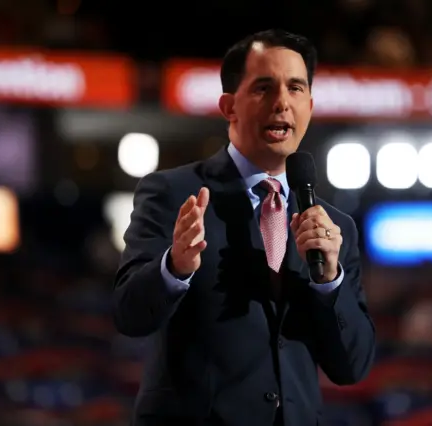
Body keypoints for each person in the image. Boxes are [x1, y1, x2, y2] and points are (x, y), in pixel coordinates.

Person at [113, 29, 376, 426]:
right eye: (263, 88)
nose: (282, 103)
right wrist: (175, 267)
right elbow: (129, 315)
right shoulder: (173, 193)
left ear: (310, 104)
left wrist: (329, 281)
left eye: (295, 88)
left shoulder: (336, 229)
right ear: (228, 105)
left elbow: (351, 367)